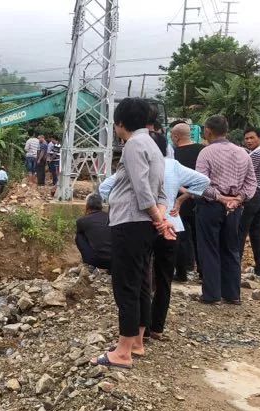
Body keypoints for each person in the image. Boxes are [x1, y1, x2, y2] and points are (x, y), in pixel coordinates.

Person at [89, 97, 172, 370]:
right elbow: (160, 191)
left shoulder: (134, 145)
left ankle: (122, 352)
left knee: (125, 284)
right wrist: (160, 217)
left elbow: (141, 189)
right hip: (145, 225)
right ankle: (136, 342)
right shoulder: (155, 145)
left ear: (120, 123)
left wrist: (158, 219)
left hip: (129, 222)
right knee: (140, 282)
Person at [102, 155, 209, 339]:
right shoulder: (173, 165)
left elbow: (104, 188)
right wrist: (180, 200)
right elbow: (203, 181)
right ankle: (157, 328)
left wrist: (121, 205)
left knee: (140, 277)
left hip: (141, 225)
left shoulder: (135, 163)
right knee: (164, 279)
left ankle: (138, 329)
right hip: (171, 225)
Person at [195, 115, 257, 304]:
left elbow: (200, 183)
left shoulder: (206, 153)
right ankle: (232, 294)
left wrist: (221, 198)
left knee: (209, 249)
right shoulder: (242, 153)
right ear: (227, 131)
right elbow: (251, 182)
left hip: (211, 206)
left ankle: (211, 294)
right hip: (234, 208)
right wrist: (238, 199)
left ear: (208, 131)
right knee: (231, 249)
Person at [171, 122, 205, 281]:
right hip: (200, 199)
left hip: (180, 201)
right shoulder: (202, 150)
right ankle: (203, 272)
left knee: (182, 237)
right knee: (200, 237)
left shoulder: (174, 155)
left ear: (176, 137)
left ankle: (183, 271)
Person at [239, 127, 260, 277]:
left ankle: (234, 267)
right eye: (246, 138)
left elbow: (242, 172)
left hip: (252, 197)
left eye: (252, 138)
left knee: (240, 232)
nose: (249, 141)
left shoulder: (256, 154)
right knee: (255, 232)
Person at [75, 194, 111, 270]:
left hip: (97, 261)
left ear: (87, 205)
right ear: (101, 205)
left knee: (79, 235)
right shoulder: (110, 217)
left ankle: (88, 264)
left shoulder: (82, 221)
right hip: (115, 260)